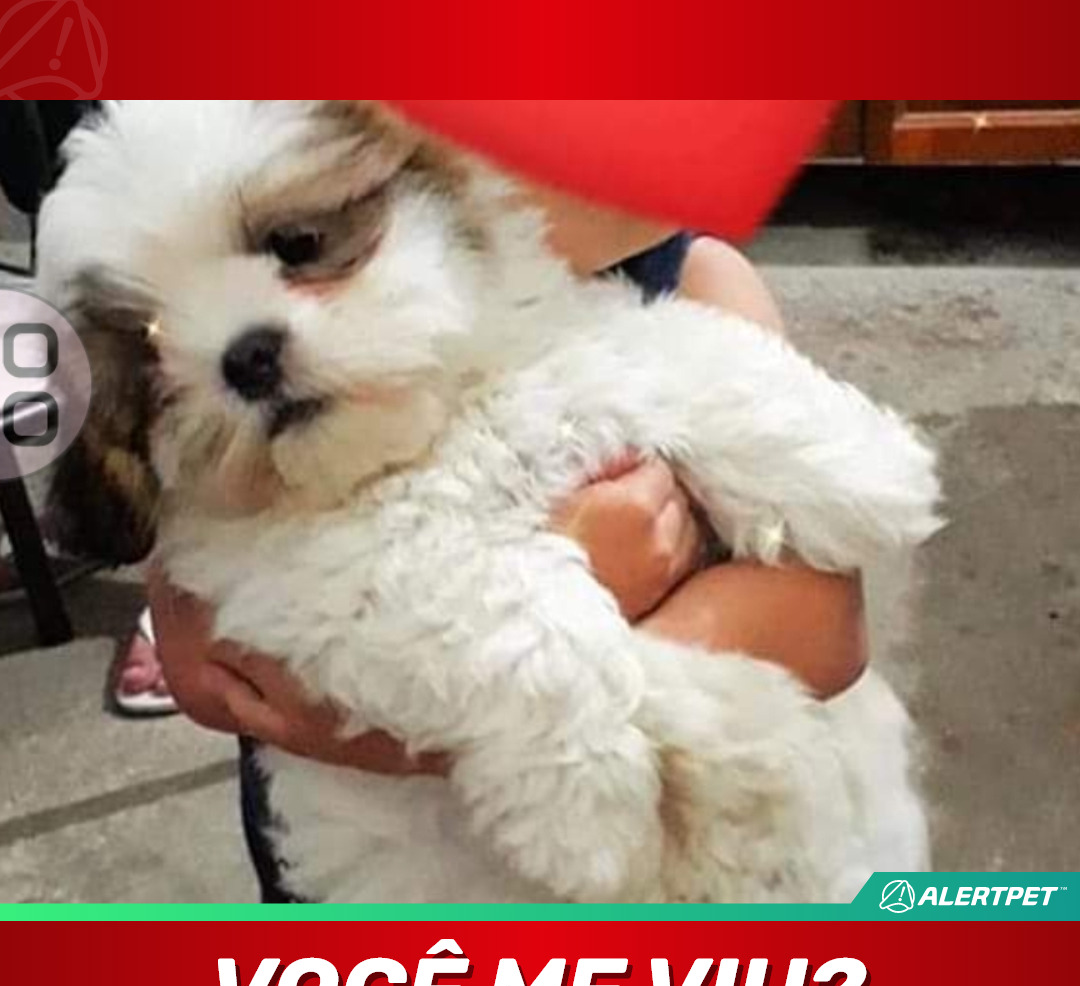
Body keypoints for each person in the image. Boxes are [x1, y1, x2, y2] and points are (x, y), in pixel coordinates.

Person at [149, 188, 868, 900]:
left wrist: (548, 699)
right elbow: (210, 671)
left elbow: (830, 627)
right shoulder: (253, 300)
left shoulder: (695, 283)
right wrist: (518, 676)